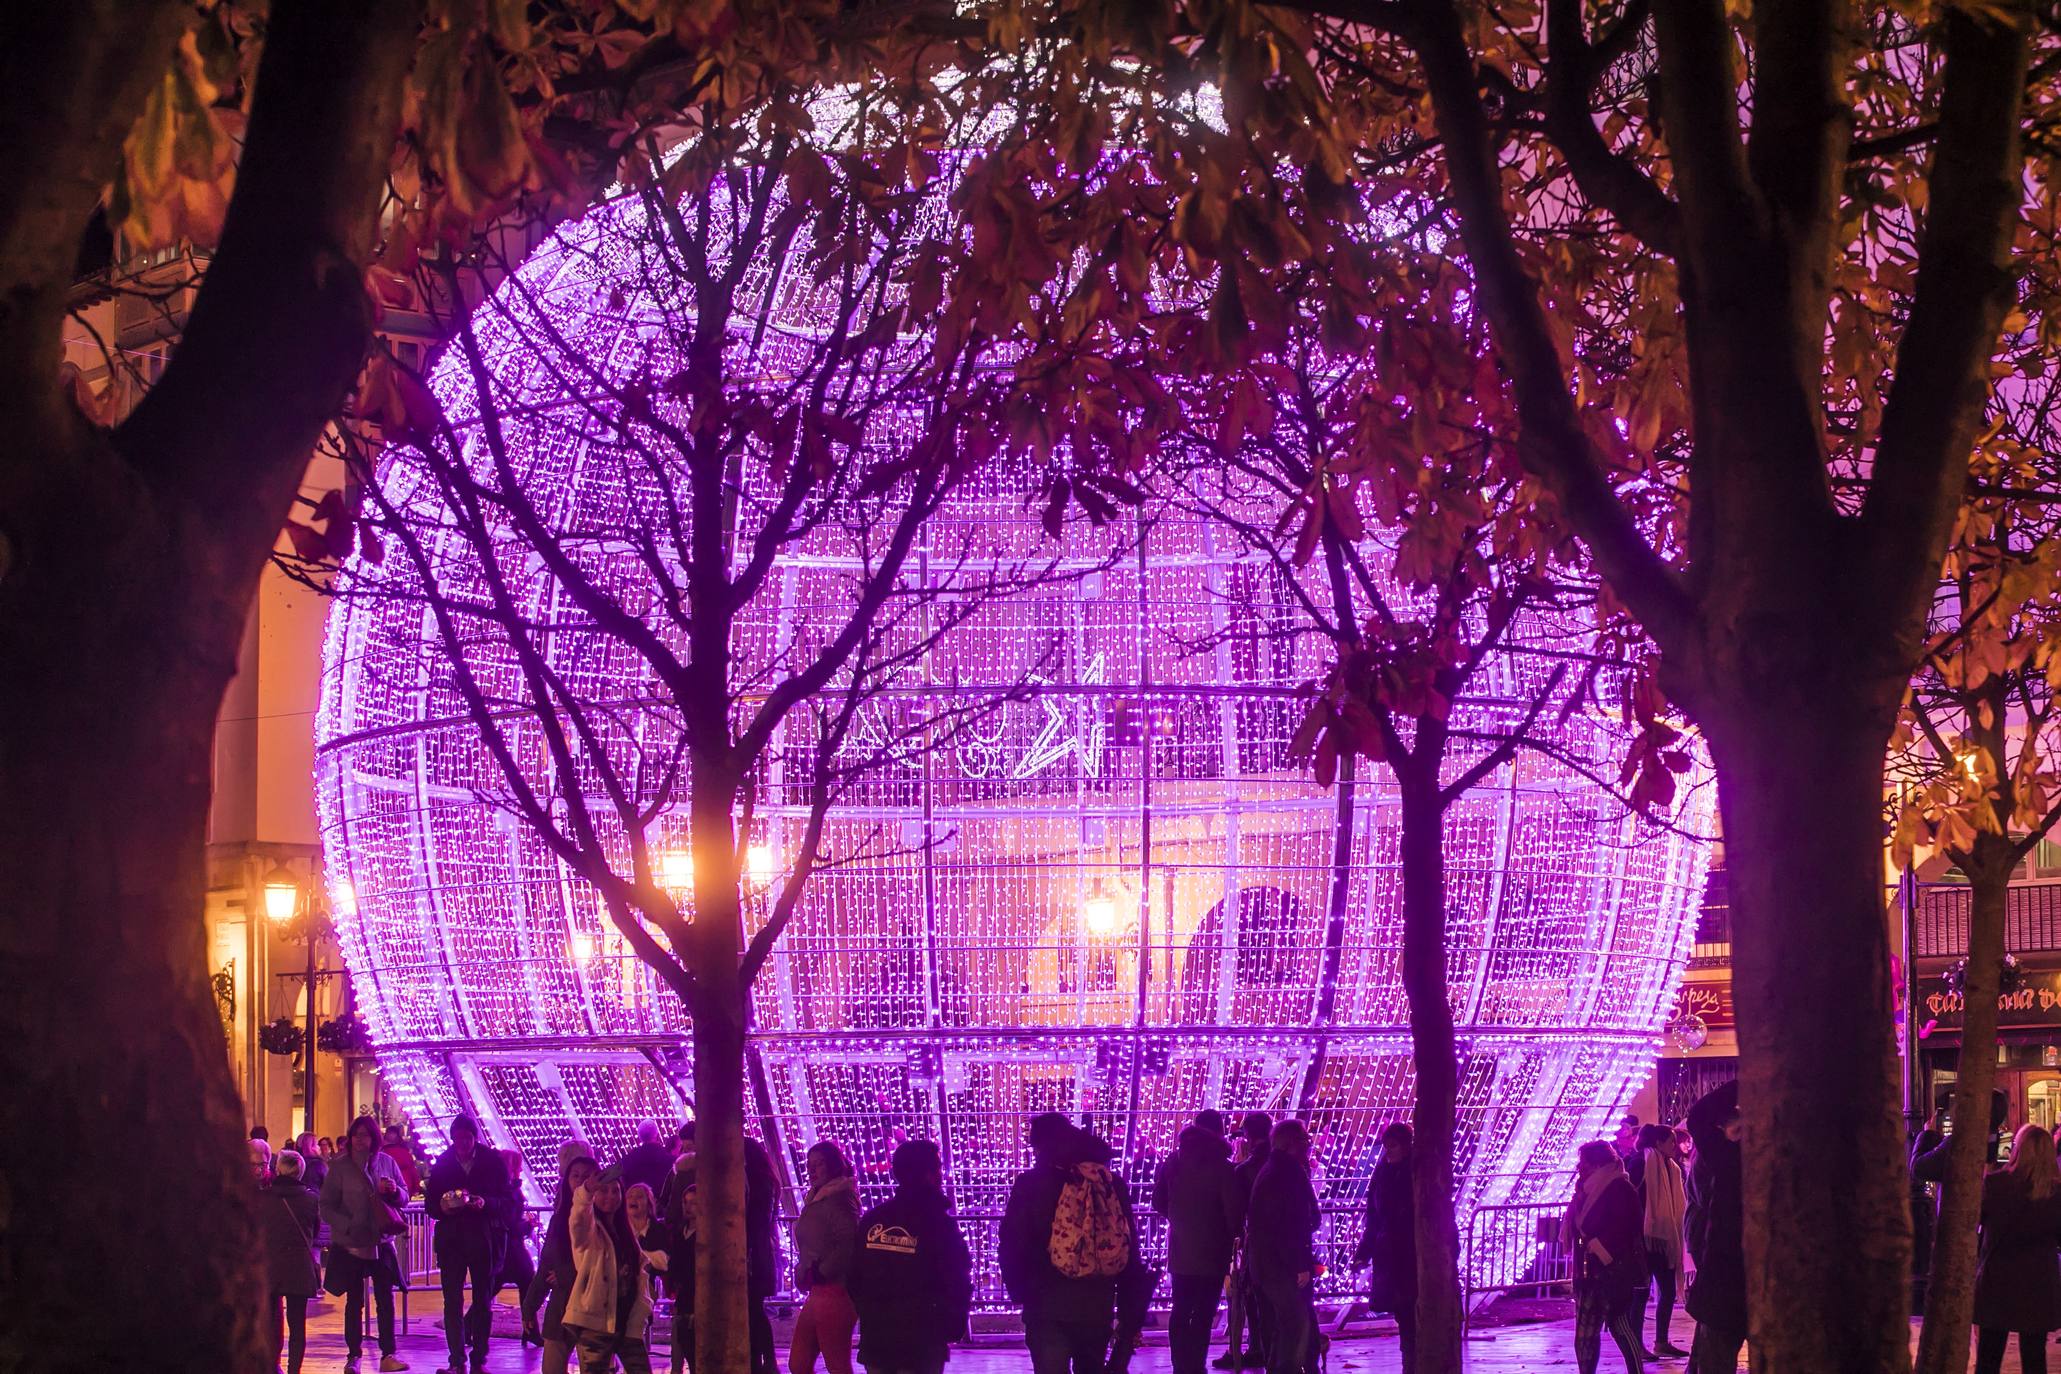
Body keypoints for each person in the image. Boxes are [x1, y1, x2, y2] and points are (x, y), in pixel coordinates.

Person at [1002, 1113, 1123, 1374]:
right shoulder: (1107, 1182)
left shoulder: (1030, 1185)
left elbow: (1012, 1241)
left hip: (1046, 1302)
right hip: (1096, 1301)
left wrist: (1021, 1291)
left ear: (1042, 1147)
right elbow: (1127, 1242)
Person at [850, 1138, 974, 1374]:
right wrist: (951, 1323)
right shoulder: (938, 1223)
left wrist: (868, 1310)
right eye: (937, 1168)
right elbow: (956, 1276)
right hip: (921, 1339)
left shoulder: (874, 1220)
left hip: (878, 1335)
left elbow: (855, 1275)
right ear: (927, 1174)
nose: (941, 1174)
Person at [425, 1114, 518, 1374]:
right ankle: (456, 1358)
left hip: (483, 1239)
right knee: (451, 1301)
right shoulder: (443, 1163)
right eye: (458, 1139)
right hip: (452, 1240)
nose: (463, 1144)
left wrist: (485, 1203)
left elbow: (507, 1201)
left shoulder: (491, 1161)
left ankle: (479, 1358)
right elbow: (431, 1203)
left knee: (483, 1299)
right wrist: (443, 1207)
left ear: (474, 1138)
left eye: (467, 1138)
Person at [322, 1114, 410, 1373]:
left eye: (366, 1135)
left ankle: (388, 1354)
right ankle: (353, 1356)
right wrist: (347, 1224)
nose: (361, 1140)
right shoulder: (339, 1167)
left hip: (381, 1241)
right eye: (356, 1135)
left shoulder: (386, 1163)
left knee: (385, 1299)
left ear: (374, 1138)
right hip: (351, 1243)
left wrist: (395, 1191)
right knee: (354, 1302)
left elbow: (404, 1197)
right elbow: (326, 1206)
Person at [1155, 1114, 1241, 1374]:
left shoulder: (1174, 1163)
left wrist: (1179, 1218)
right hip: (1213, 1251)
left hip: (1181, 1248)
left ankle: (1180, 1364)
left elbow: (1157, 1200)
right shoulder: (1224, 1168)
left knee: (1181, 1309)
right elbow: (1233, 1214)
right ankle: (1196, 1363)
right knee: (1204, 1312)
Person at [1973, 1122, 2061, 1374]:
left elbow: (1976, 1224)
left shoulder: (1995, 1185)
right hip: (2038, 1282)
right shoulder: (2055, 1193)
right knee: (2034, 1357)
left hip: (1997, 1278)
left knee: (1989, 1356)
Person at [1243, 1121, 1319, 1374]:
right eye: (1304, 1141)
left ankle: (1279, 1367)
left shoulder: (1271, 1170)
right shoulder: (1289, 1173)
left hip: (1264, 1262)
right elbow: (1292, 1223)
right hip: (1281, 1263)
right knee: (1296, 1321)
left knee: (1282, 1322)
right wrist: (1299, 1265)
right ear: (1292, 1143)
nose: (1308, 1145)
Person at [566, 1165, 657, 1374]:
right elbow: (578, 1219)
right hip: (597, 1321)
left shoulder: (625, 1232)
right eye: (604, 1190)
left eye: (616, 1191)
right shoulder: (590, 1232)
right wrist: (587, 1190)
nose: (611, 1196)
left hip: (626, 1319)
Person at [1566, 1140, 1645, 1374]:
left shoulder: (1620, 1187)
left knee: (1619, 1324)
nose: (1580, 1167)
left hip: (1612, 1269)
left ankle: (1636, 1371)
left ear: (1598, 1164)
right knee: (1585, 1333)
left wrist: (1601, 1246)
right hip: (1587, 1270)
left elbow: (1627, 1226)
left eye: (1585, 1162)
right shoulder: (1584, 1190)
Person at [1683, 1082, 1746, 1374]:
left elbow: (1698, 1117)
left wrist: (1748, 1079)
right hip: (1753, 1276)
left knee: (1715, 1354)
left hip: (1728, 1273)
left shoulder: (1731, 1160)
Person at [793, 1141, 864, 1374]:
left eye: (819, 1164)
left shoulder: (840, 1198)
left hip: (835, 1290)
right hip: (818, 1290)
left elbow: (848, 1242)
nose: (812, 1171)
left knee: (837, 1364)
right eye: (809, 1165)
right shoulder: (816, 1198)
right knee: (799, 1363)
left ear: (833, 1165)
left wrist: (822, 1271)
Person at [1355, 1122, 1417, 1369]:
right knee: (1404, 1314)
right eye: (1386, 1146)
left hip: (1408, 1254)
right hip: (1391, 1253)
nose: (1388, 1151)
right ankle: (1409, 1361)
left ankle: (1413, 1361)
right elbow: (1374, 1216)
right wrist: (1364, 1252)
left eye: (1393, 1146)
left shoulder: (1413, 1173)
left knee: (1411, 1311)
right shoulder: (1383, 1174)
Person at [1219, 1112, 1274, 1371]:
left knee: (1251, 1297)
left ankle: (1256, 1347)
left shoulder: (1246, 1170)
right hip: (1286, 1242)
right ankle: (1272, 1348)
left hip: (1257, 1241)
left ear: (1249, 1136)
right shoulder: (1288, 1163)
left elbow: (1238, 1210)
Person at [540, 1150, 603, 1374]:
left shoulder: (604, 1219)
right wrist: (530, 1305)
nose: (580, 1181)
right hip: (561, 1305)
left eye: (587, 1176)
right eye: (575, 1175)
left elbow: (598, 1260)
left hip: (593, 1306)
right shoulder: (559, 1219)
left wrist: (566, 1273)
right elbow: (546, 1262)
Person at [260, 1149, 323, 1374]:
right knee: (297, 1325)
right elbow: (315, 1231)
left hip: (271, 1265)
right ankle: (294, 1370)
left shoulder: (264, 1197)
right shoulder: (311, 1198)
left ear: (277, 1169)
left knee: (270, 1321)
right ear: (300, 1172)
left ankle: (271, 1365)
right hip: (299, 1266)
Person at [1637, 1125, 1690, 1360]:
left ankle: (1661, 1340)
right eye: (1670, 1141)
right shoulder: (1642, 1163)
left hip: (1667, 1239)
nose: (1674, 1146)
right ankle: (1635, 1343)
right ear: (1657, 1143)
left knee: (1667, 1291)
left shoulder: (1673, 1168)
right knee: (1639, 1294)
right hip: (1645, 1238)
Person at [659, 1128, 698, 1374]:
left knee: (688, 1340)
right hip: (684, 1287)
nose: (682, 1151)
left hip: (691, 1287)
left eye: (687, 1146)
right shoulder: (679, 1170)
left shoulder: (683, 1171)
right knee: (682, 1337)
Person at [747, 1136, 783, 1374]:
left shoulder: (756, 1184)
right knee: (754, 1309)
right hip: (759, 1252)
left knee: (752, 1310)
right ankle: (765, 1360)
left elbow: (755, 1219)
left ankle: (760, 1361)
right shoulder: (767, 1182)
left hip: (752, 1253)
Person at [498, 1147, 539, 1306]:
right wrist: (528, 1226)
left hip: (507, 1247)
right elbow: (510, 1223)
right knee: (527, 1280)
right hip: (512, 1248)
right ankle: (530, 1326)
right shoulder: (509, 1191)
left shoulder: (509, 1188)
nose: (521, 1169)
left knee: (494, 1286)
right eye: (518, 1165)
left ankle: (469, 1324)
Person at [623, 1120, 677, 1198]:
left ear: (640, 1138)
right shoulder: (672, 1161)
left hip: (636, 1205)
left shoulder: (628, 1160)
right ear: (658, 1136)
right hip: (664, 1207)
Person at [384, 1123, 423, 1198]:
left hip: (390, 1191)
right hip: (406, 1190)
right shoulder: (405, 1153)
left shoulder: (382, 1155)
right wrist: (416, 1189)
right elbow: (413, 1172)